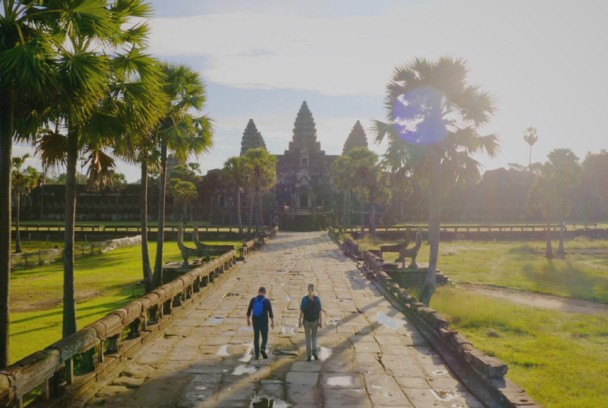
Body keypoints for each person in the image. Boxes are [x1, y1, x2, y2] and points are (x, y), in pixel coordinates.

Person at [247, 286, 274, 359]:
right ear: (264, 293)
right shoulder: (266, 301)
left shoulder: (253, 300)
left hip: (255, 321)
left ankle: (256, 355)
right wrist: (272, 322)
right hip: (264, 322)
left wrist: (248, 320)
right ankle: (263, 348)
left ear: (258, 292)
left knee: (256, 337)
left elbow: (249, 310)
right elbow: (270, 313)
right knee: (264, 336)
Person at [299, 283, 323, 361]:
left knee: (308, 338)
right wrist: (321, 322)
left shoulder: (304, 299)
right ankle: (314, 352)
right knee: (314, 337)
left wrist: (300, 320)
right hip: (315, 320)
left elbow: (302, 311)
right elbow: (319, 312)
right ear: (313, 290)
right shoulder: (317, 299)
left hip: (306, 321)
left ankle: (309, 355)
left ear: (307, 290)